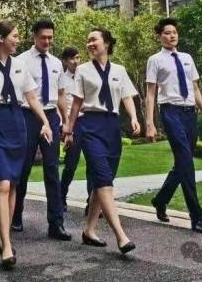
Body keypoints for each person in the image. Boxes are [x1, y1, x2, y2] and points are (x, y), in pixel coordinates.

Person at [0, 21, 53, 270]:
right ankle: (7, 245)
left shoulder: (20, 65)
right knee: (3, 184)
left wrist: (45, 122)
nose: (18, 40)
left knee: (14, 183)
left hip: (18, 123)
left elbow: (31, 97)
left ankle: (3, 235)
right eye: (14, 36)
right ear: (1, 38)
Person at [62, 28, 139, 255]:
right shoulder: (82, 70)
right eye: (88, 41)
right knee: (104, 179)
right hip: (90, 126)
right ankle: (121, 236)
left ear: (106, 43)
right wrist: (69, 129)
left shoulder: (119, 70)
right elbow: (77, 102)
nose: (90, 44)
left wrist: (134, 117)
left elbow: (126, 96)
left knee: (101, 181)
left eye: (94, 40)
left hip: (112, 127)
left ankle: (89, 231)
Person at [145, 18, 202, 235]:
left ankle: (160, 199)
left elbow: (195, 89)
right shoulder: (155, 60)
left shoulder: (187, 58)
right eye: (167, 33)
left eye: (174, 32)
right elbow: (150, 94)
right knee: (186, 162)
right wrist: (150, 123)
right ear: (159, 36)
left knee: (182, 163)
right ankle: (197, 217)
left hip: (189, 113)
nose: (172, 35)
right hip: (170, 112)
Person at [12, 20, 71, 241]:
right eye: (43, 37)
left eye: (50, 38)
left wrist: (66, 121)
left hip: (52, 116)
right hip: (27, 116)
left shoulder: (56, 63)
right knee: (23, 168)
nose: (47, 41)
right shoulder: (21, 61)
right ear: (34, 37)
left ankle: (56, 223)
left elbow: (61, 94)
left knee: (52, 169)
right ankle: (15, 215)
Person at [58, 46, 89, 210]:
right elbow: (58, 103)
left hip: (88, 121)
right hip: (72, 123)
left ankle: (92, 202)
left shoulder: (86, 76)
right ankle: (61, 196)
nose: (76, 61)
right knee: (71, 164)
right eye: (72, 58)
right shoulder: (61, 79)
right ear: (65, 61)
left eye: (77, 57)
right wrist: (64, 126)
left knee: (93, 163)